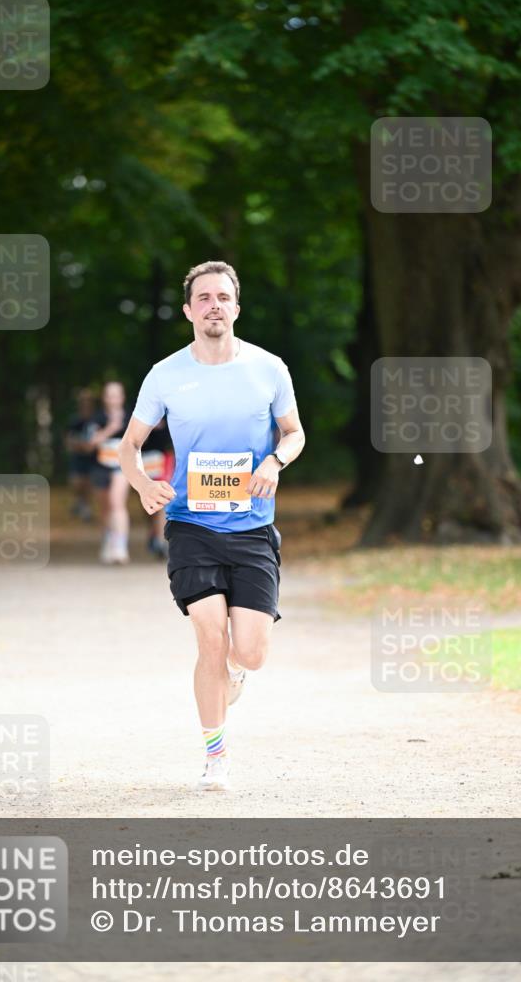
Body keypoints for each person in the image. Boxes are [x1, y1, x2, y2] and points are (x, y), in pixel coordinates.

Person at [120, 260, 305, 789]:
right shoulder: (166, 374)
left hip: (251, 527)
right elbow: (130, 446)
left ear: (237, 307)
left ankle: (239, 671)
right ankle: (215, 758)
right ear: (188, 310)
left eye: (223, 297)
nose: (214, 305)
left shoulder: (269, 369)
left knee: (248, 651)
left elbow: (293, 433)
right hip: (191, 525)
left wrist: (274, 462)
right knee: (209, 640)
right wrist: (141, 484)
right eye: (203, 298)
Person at [87, 381, 131, 565]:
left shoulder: (132, 417)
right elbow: (91, 443)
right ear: (104, 398)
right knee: (105, 508)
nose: (113, 399)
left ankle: (120, 547)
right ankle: (108, 540)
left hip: (122, 466)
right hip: (101, 466)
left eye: (116, 395)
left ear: (122, 397)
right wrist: (110, 429)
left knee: (117, 502)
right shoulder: (97, 418)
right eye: (109, 395)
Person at [141, 418, 175, 559]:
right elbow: (135, 441)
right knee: (148, 503)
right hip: (145, 459)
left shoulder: (171, 412)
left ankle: (162, 542)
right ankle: (153, 533)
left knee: (162, 499)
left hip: (164, 459)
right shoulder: (142, 410)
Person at [64, 387, 97, 522]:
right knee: (77, 483)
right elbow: (68, 439)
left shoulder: (97, 419)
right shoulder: (74, 420)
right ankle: (80, 502)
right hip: (78, 457)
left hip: (93, 458)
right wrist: (79, 446)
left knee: (89, 484)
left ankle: (86, 508)